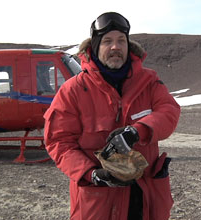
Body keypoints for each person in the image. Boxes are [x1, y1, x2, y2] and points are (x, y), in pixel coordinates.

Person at [44, 12, 180, 220]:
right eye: (107, 41)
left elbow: (169, 112)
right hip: (99, 203)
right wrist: (92, 174)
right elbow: (59, 142)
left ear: (128, 46)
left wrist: (137, 131)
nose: (115, 47)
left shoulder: (149, 82)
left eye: (121, 41)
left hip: (145, 199)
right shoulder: (73, 90)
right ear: (96, 47)